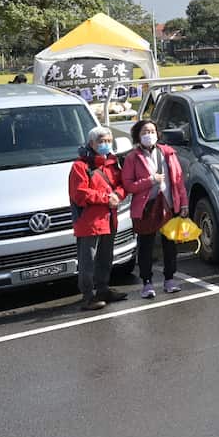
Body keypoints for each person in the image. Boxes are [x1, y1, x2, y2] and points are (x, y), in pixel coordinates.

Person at [122, 119, 188, 298]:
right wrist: (150, 181)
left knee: (170, 245)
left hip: (168, 204)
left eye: (151, 131)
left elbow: (178, 180)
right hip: (146, 207)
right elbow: (128, 185)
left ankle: (169, 279)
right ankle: (147, 282)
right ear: (138, 136)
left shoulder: (168, 153)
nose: (148, 135)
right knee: (146, 246)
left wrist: (183, 203)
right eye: (144, 132)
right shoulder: (132, 158)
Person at [69, 126, 129, 310]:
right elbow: (79, 194)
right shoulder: (80, 166)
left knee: (105, 258)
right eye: (101, 141)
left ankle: (103, 289)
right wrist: (106, 198)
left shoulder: (112, 163)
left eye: (108, 141)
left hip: (109, 219)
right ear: (91, 143)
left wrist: (117, 196)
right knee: (88, 262)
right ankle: (88, 296)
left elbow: (121, 185)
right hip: (89, 222)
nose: (105, 144)